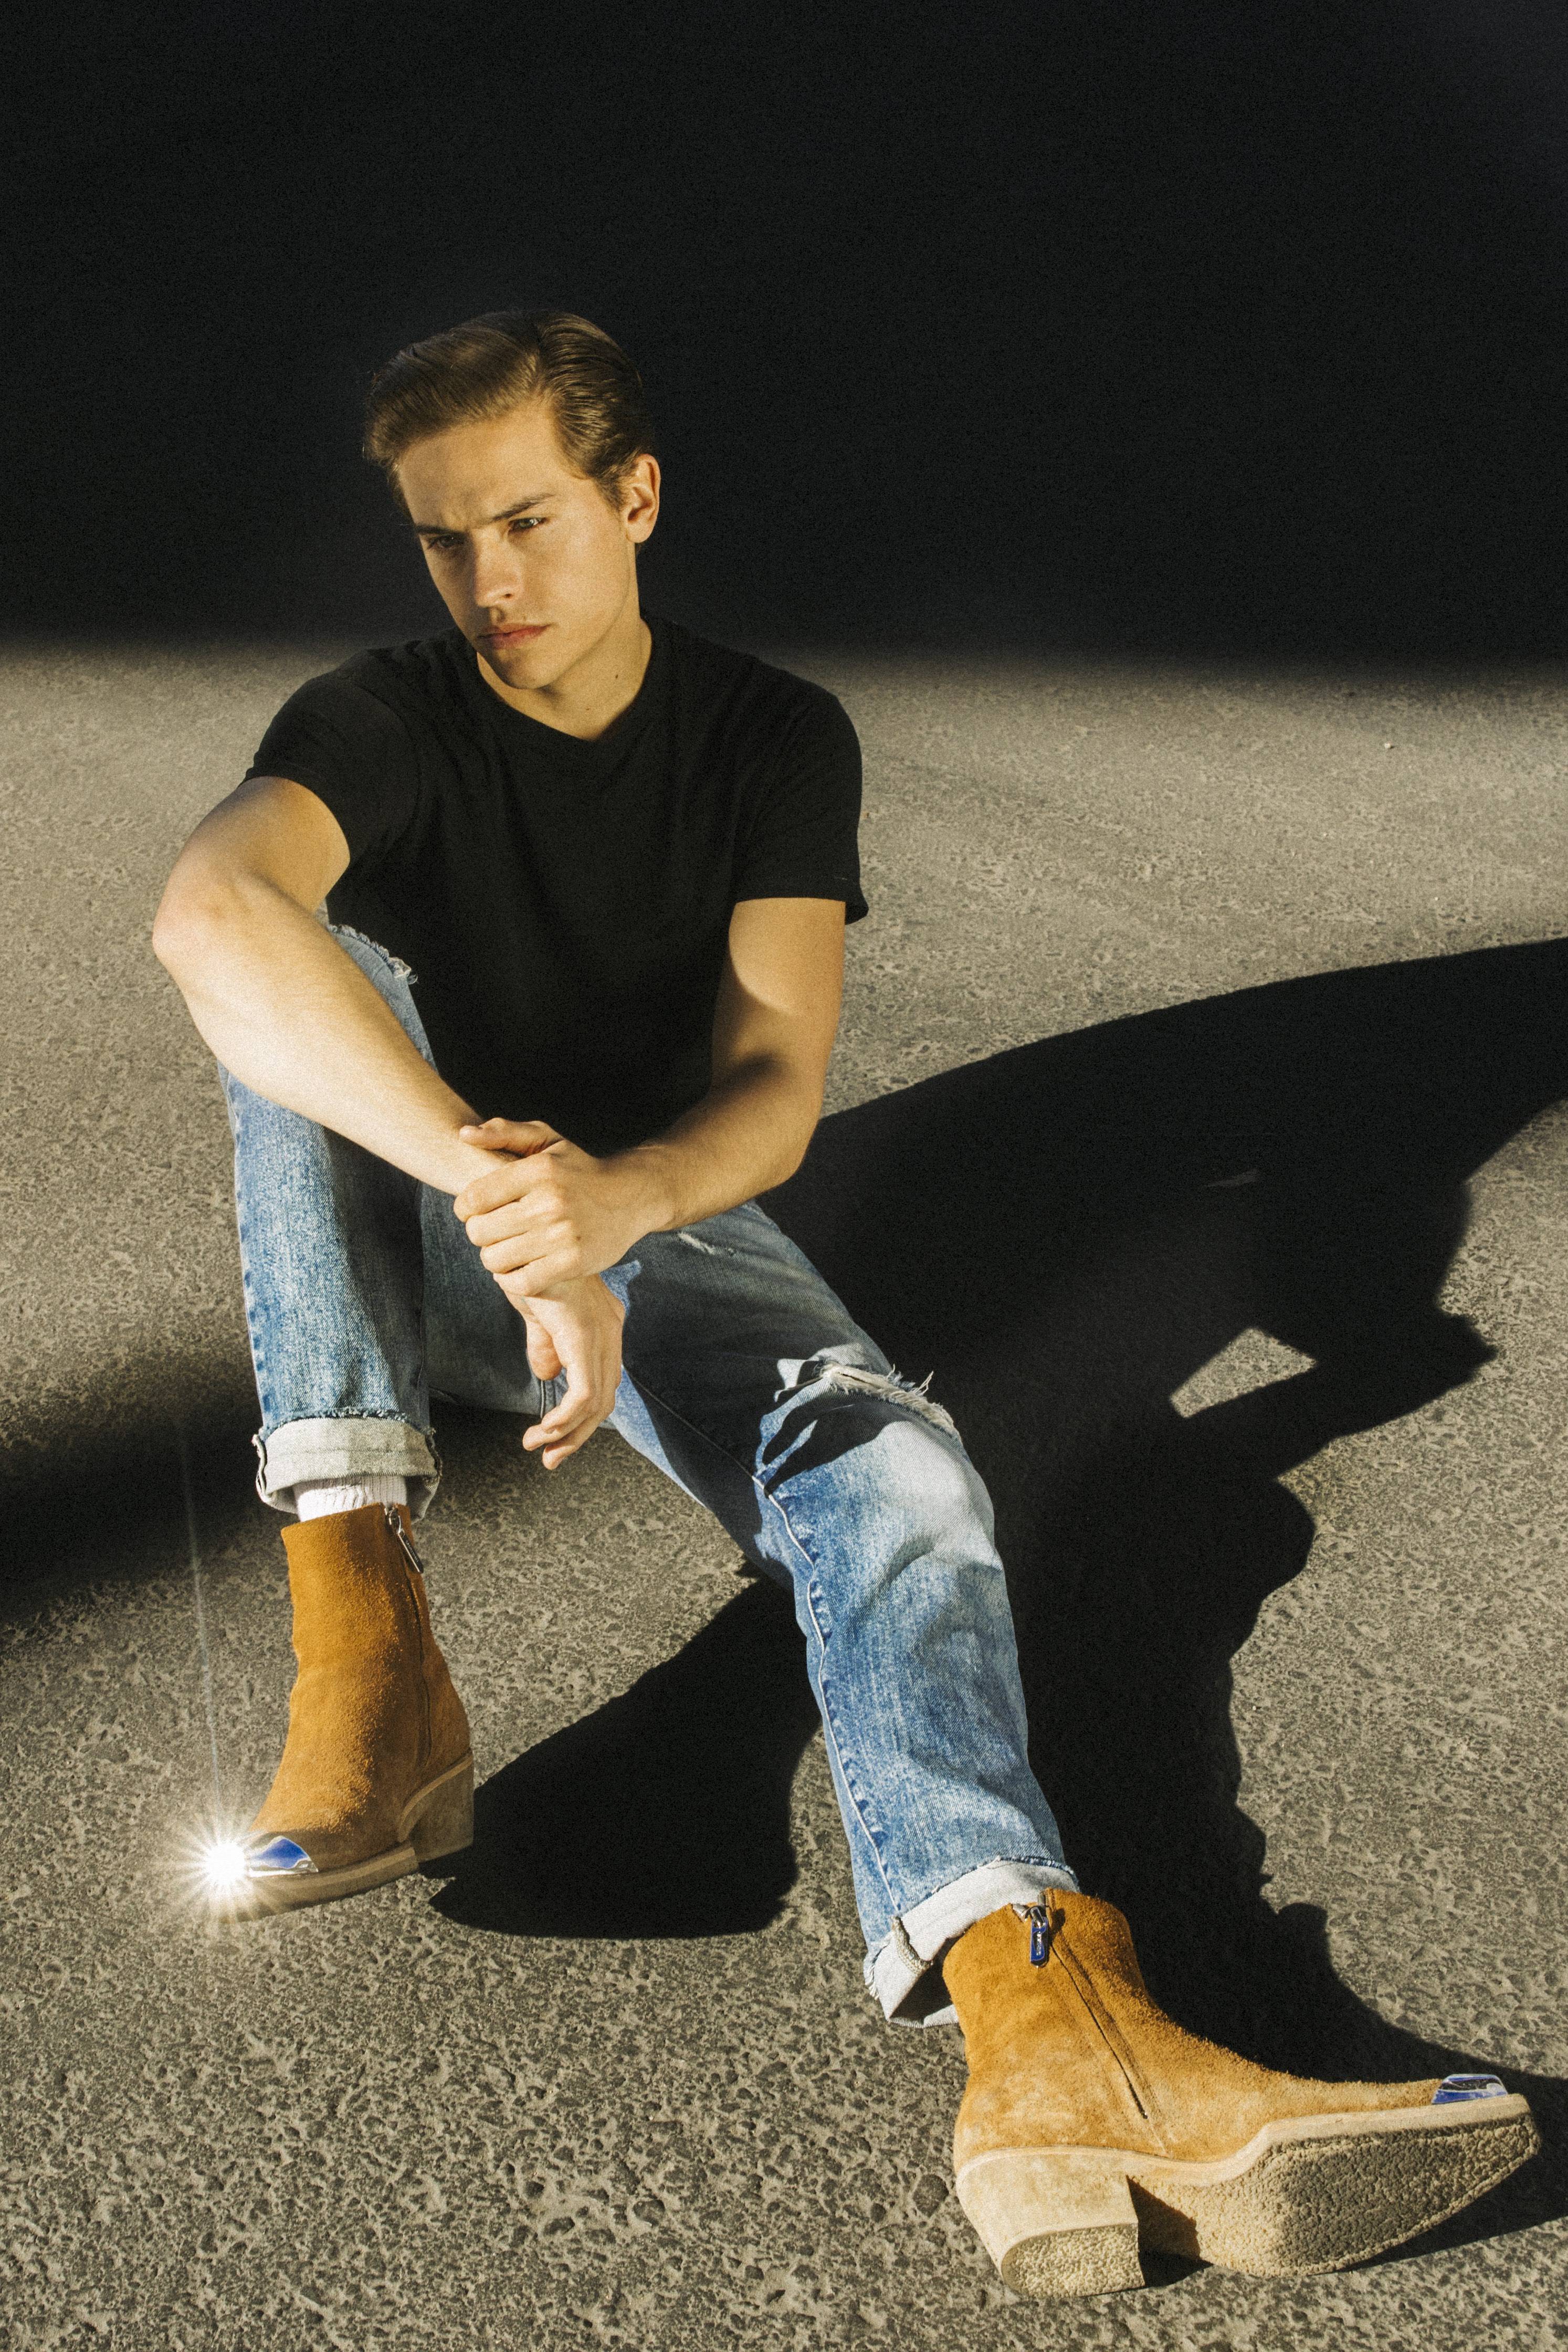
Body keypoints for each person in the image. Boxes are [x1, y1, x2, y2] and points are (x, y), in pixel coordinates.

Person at [152, 309, 1536, 2299]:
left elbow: (774, 1086)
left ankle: (1048, 2031)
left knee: (900, 1479)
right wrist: (499, 1183)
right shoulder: (382, 717)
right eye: (445, 541)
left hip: (657, 1213)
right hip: (418, 1215)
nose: (489, 584)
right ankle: (360, 1637)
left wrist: (612, 1208)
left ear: (633, 496)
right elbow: (205, 908)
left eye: (527, 520)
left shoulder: (769, 737)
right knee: (296, 967)